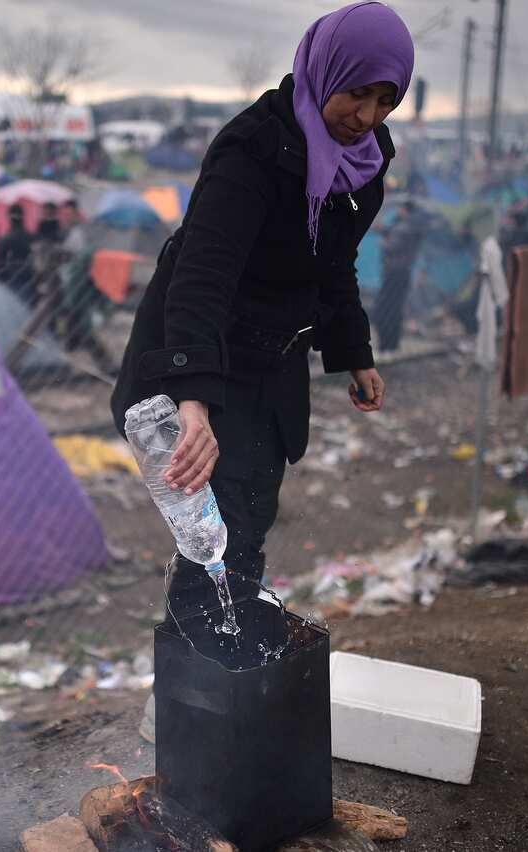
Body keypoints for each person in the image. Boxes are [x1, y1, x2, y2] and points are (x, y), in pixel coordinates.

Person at [112, 0, 410, 615]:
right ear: (326, 70)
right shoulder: (252, 149)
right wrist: (191, 397)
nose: (366, 115)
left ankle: (222, 676)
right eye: (356, 93)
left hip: (274, 363)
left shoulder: (367, 159)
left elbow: (335, 262)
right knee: (215, 543)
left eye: (386, 100)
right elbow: (200, 276)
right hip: (206, 356)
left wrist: (356, 352)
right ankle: (194, 696)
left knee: (248, 523)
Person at [370, 199, 424, 351]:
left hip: (394, 272)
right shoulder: (411, 226)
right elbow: (391, 230)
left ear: (405, 210)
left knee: (384, 310)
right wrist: (383, 230)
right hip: (403, 273)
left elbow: (392, 245)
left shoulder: (403, 227)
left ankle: (386, 344)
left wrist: (383, 244)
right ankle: (392, 344)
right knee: (395, 309)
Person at [0, 204, 35, 304]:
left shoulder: (6, 238)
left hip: (11, 276)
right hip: (28, 274)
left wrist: (0, 277)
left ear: (9, 218)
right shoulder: (30, 236)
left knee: (13, 305)